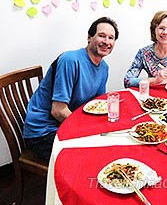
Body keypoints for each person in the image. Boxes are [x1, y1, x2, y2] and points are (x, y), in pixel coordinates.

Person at [23, 16, 119, 161]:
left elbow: (97, 105)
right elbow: (58, 110)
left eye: (111, 38)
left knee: (112, 143)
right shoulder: (70, 60)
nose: (106, 41)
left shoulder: (104, 68)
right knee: (92, 158)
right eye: (101, 36)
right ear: (89, 37)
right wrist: (88, 130)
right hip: (43, 131)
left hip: (66, 123)